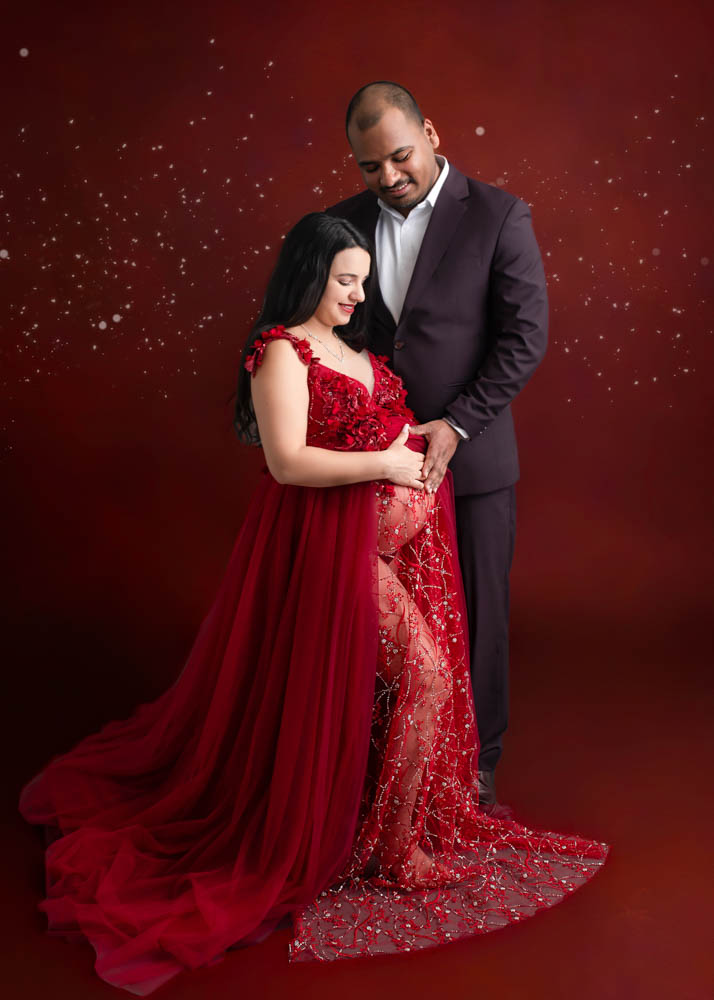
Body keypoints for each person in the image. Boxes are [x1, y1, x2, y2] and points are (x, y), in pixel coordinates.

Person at [19, 213, 606, 995]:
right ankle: (391, 849)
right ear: (308, 274)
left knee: (408, 687)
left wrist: (421, 448)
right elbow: (289, 463)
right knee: (424, 679)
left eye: (361, 280)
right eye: (343, 280)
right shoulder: (280, 351)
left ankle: (386, 831)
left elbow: (390, 435)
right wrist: (388, 462)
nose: (356, 294)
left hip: (385, 551)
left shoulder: (361, 353)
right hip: (332, 556)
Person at [328, 82, 549, 817]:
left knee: (478, 616)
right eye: (370, 167)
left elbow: (525, 339)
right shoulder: (338, 225)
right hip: (373, 465)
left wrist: (456, 425)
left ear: (431, 132)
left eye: (399, 156)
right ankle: (382, 763)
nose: (388, 177)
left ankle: (478, 768)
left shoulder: (498, 214)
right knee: (380, 624)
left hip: (474, 462)